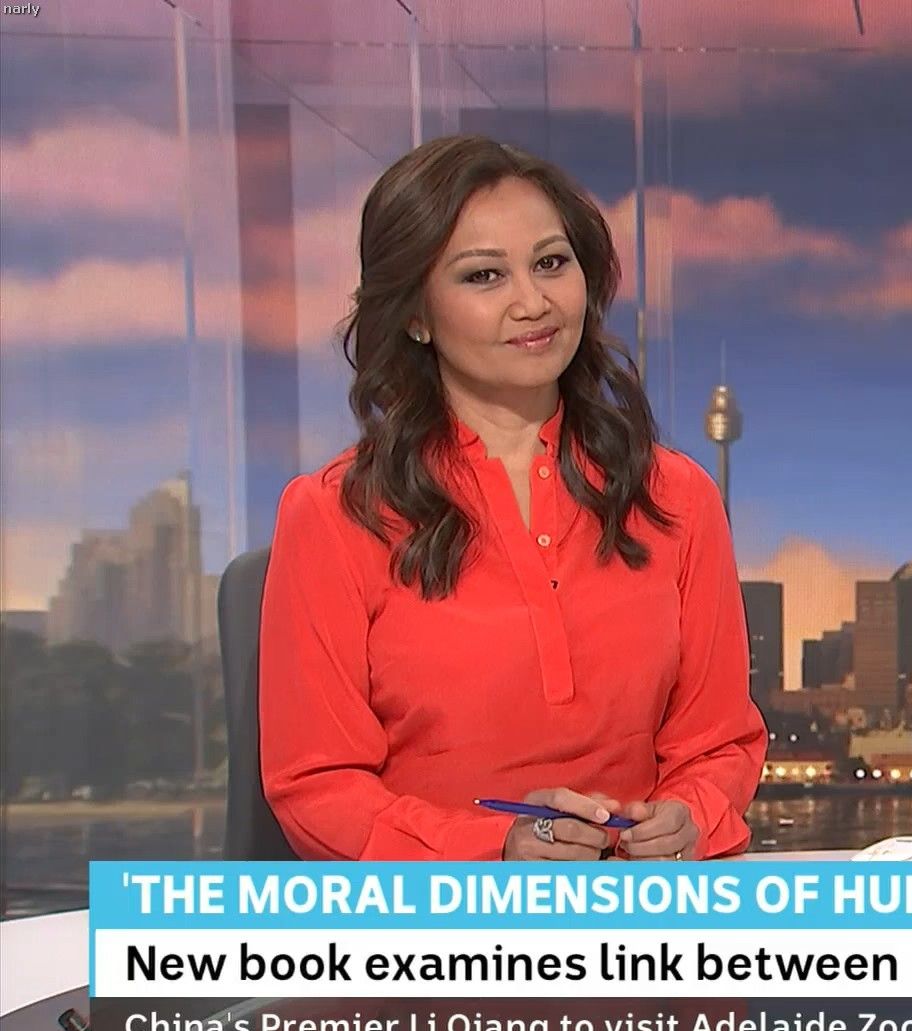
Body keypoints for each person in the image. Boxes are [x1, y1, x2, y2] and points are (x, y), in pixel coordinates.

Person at [259, 134, 766, 861]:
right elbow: (317, 787)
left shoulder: (676, 496)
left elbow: (718, 745)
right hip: (436, 923)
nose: (533, 303)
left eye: (551, 264)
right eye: (484, 276)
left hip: (642, 914)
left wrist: (691, 818)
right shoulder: (334, 514)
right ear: (415, 315)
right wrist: (493, 852)